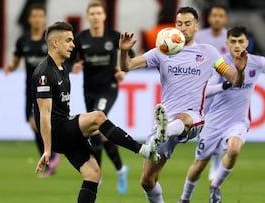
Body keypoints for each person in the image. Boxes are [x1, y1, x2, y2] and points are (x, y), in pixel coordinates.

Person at [118, 7, 248, 203]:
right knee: (147, 181)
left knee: (183, 119)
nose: (183, 28)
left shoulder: (209, 53)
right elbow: (126, 66)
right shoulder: (162, 51)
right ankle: (164, 131)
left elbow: (235, 81)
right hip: (166, 117)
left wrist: (240, 70)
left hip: (192, 118)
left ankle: (166, 130)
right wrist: (124, 51)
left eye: (188, 24)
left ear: (196, 26)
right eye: (179, 24)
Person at [32, 21, 167, 203]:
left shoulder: (62, 68)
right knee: (98, 117)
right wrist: (47, 150)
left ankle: (133, 158)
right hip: (57, 131)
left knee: (93, 173)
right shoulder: (44, 73)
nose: (73, 45)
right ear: (55, 43)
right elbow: (45, 115)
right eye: (69, 40)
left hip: (64, 130)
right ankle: (144, 150)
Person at [178, 25, 265, 203]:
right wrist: (224, 85)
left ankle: (215, 186)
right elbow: (205, 90)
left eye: (240, 41)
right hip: (213, 122)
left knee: (234, 150)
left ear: (247, 43)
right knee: (200, 165)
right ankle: (185, 198)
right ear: (227, 43)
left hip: (238, 121)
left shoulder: (256, 63)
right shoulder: (221, 64)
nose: (237, 45)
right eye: (233, 41)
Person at [68, 0, 129, 194]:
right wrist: (73, 67)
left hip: (109, 87)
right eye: (92, 13)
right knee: (100, 132)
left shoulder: (113, 36)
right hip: (89, 90)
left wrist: (122, 70)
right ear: (88, 17)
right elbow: (68, 59)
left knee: (95, 125)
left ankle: (97, 173)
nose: (95, 16)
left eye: (98, 13)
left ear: (104, 16)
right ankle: (120, 169)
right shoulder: (81, 38)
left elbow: (129, 54)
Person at [4, 3, 60, 177]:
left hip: (48, 88)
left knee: (44, 122)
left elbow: (61, 59)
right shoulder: (23, 41)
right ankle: (49, 157)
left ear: (44, 19)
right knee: (33, 124)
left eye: (39, 16)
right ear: (29, 19)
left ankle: (52, 154)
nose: (36, 19)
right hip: (30, 89)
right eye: (33, 16)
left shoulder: (50, 40)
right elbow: (16, 60)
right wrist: (10, 68)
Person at [194, 4, 229, 181]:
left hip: (224, 87)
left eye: (220, 16)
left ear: (225, 19)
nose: (217, 19)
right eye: (214, 15)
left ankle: (215, 161)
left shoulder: (229, 38)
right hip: (204, 86)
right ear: (209, 19)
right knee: (203, 124)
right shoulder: (200, 37)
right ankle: (204, 157)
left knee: (220, 124)